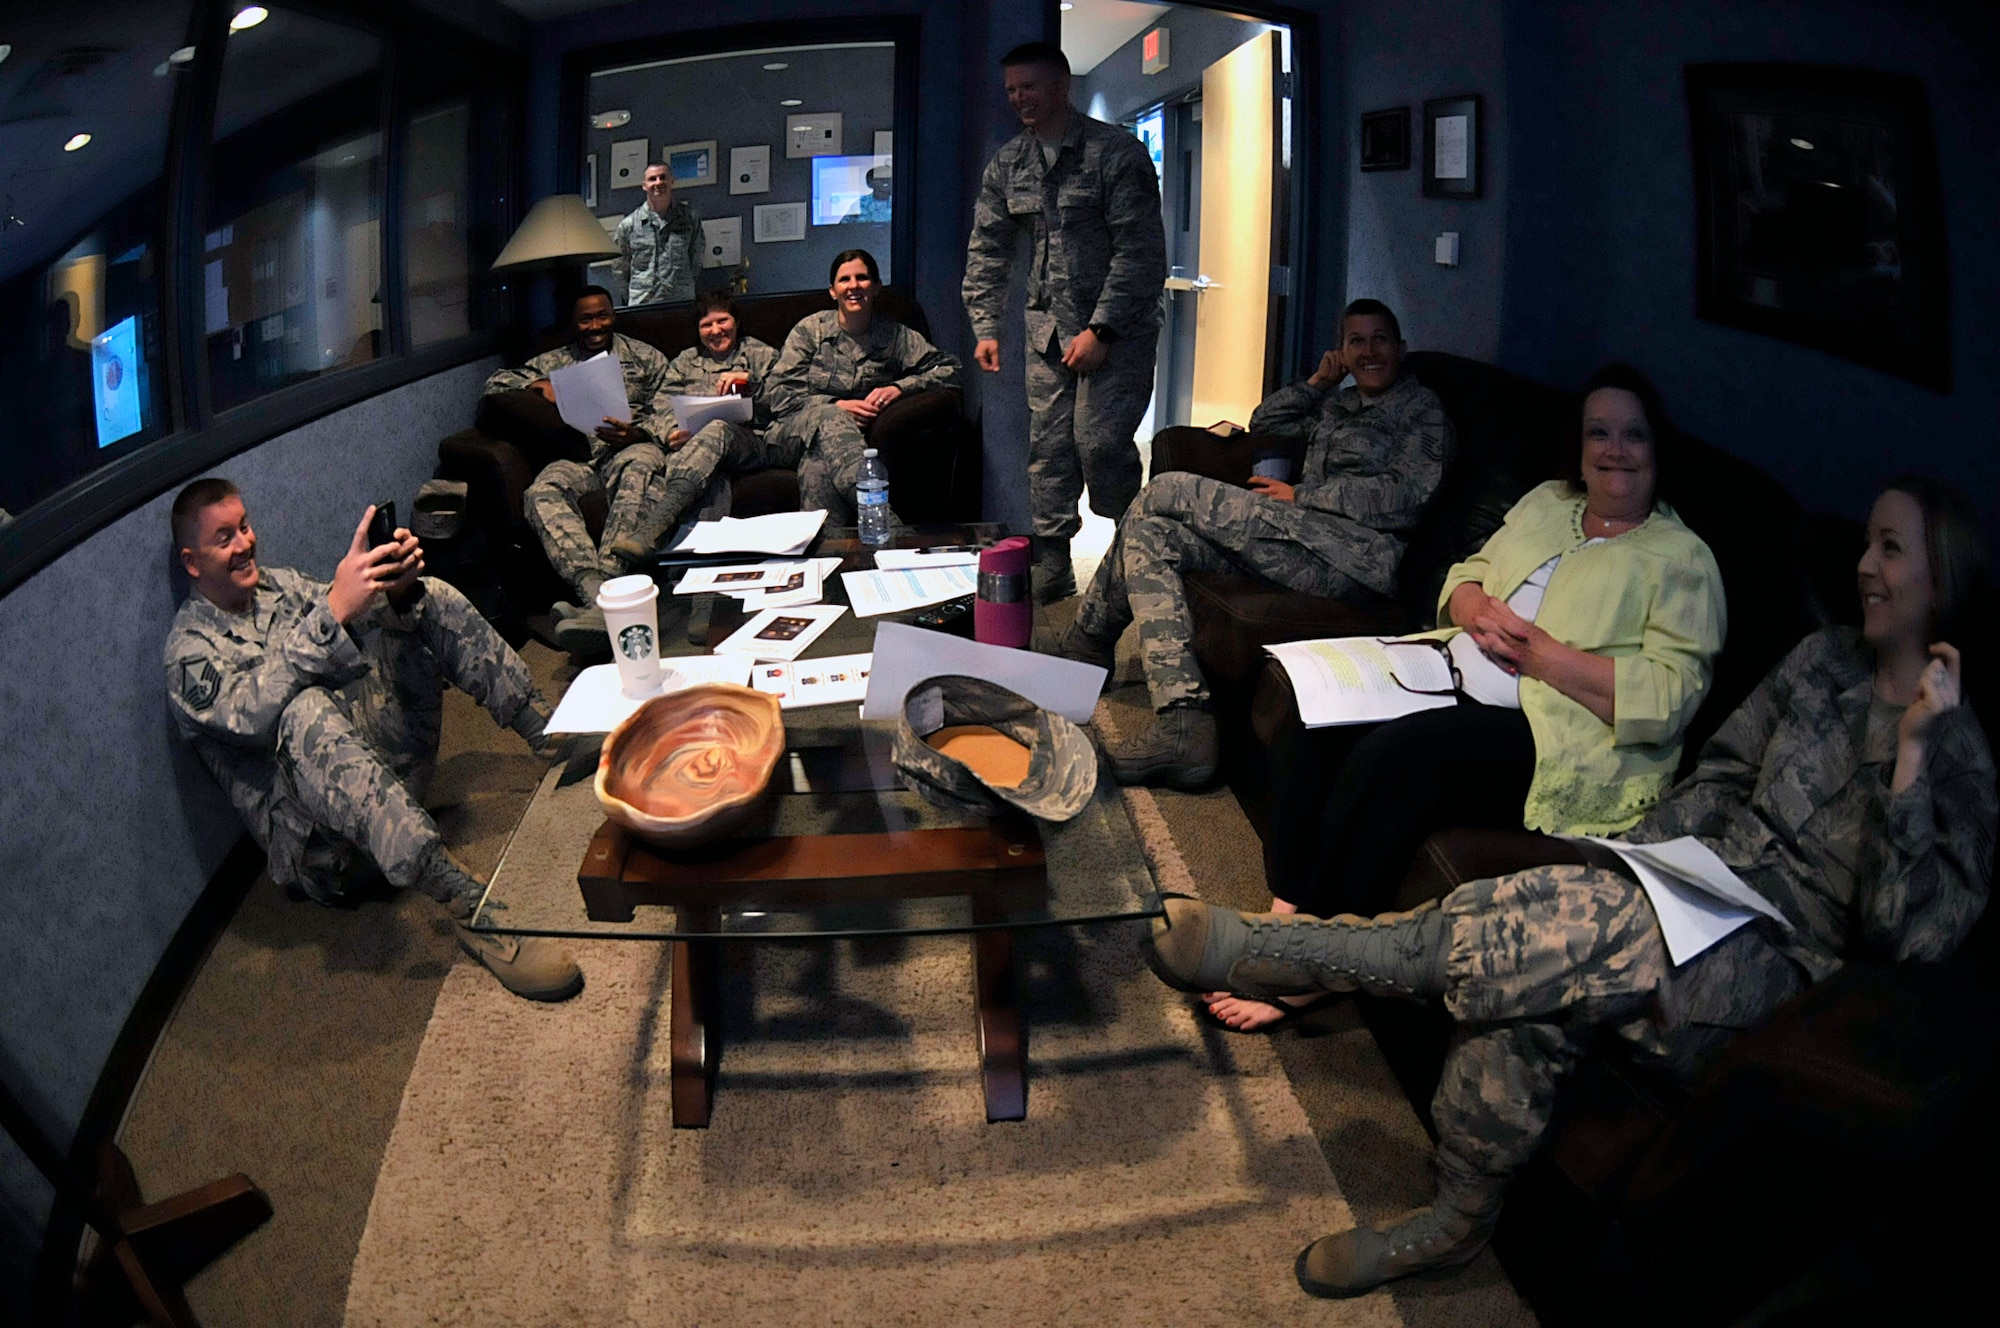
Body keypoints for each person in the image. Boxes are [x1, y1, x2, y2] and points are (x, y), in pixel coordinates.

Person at [1141, 474, 1996, 1298]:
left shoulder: (1958, 752)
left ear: (1942, 574)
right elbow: (1723, 775)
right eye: (1867, 545)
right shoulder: (1819, 662)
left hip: (1775, 958)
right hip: (1697, 887)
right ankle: (1454, 1220)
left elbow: (1907, 936)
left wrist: (1914, 757)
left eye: (1890, 549)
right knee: (1545, 950)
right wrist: (1640, 856)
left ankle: (1294, 954)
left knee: (1574, 931)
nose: (1865, 567)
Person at [1213, 363, 1725, 1031]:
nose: (1614, 450)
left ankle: (1317, 967)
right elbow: (1468, 571)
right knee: (1317, 713)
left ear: (1658, 447)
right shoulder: (1548, 503)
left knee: (1395, 757)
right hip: (1447, 668)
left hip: (1553, 727)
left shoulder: (1682, 558)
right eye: (1599, 433)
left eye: (1633, 435)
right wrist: (1474, 603)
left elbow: (1670, 696)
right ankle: (1287, 913)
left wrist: (1544, 657)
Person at [164, 478, 584, 1002]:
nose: (245, 543)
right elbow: (252, 716)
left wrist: (400, 590)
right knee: (301, 711)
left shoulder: (278, 585)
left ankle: (551, 735)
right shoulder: (188, 656)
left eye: (245, 526)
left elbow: (365, 616)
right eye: (223, 538)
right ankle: (473, 910)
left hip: (382, 782)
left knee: (433, 601)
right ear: (191, 562)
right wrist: (332, 612)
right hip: (327, 853)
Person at [1054, 299, 1453, 790]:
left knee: (1167, 488)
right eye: (1356, 341)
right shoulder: (1339, 405)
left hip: (1356, 558)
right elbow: (1264, 421)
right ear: (1342, 352)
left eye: (1380, 339)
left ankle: (1088, 641)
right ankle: (1183, 719)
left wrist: (1304, 495)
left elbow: (1408, 496)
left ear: (1401, 348)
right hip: (1300, 542)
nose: (1370, 351)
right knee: (1153, 533)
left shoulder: (1422, 411)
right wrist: (1318, 384)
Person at [963, 41, 1168, 603]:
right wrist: (985, 325)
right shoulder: (1009, 164)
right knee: (1049, 451)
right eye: (1011, 89)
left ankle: (1139, 550)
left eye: (1029, 86)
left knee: (1100, 444)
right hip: (1046, 333)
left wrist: (1101, 330)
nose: (1018, 99)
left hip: (1117, 333)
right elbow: (988, 248)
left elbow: (1140, 252)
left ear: (1061, 86)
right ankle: (1054, 562)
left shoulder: (1116, 153)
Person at [481, 285, 674, 652]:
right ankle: (596, 596)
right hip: (581, 456)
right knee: (540, 492)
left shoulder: (644, 356)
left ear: (613, 315)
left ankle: (606, 600)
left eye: (602, 316)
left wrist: (638, 432)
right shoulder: (555, 360)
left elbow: (671, 402)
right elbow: (495, 385)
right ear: (574, 323)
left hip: (633, 448)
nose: (595, 325)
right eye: (586, 319)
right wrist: (540, 384)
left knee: (637, 474)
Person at [599, 291, 797, 564]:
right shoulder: (684, 362)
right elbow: (662, 406)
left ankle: (652, 531)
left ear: (736, 322)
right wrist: (670, 432)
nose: (716, 330)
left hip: (753, 443)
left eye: (722, 321)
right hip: (697, 454)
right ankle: (681, 582)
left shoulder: (760, 354)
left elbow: (787, 402)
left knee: (716, 428)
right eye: (706, 325)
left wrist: (752, 383)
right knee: (708, 482)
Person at [766, 248, 962, 524]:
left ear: (876, 287)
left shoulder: (895, 335)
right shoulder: (810, 331)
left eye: (862, 278)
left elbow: (949, 370)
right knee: (831, 417)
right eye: (844, 280)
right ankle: (884, 523)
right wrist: (836, 406)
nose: (853, 286)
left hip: (845, 445)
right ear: (833, 291)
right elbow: (779, 396)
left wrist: (901, 388)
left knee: (817, 469)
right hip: (793, 432)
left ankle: (827, 555)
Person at [612, 162, 701, 306]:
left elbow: (696, 259)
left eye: (663, 177)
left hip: (681, 301)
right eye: (652, 179)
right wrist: (633, 295)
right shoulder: (628, 225)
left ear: (672, 181)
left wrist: (682, 284)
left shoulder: (690, 218)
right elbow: (620, 269)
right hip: (642, 303)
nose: (658, 182)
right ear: (644, 185)